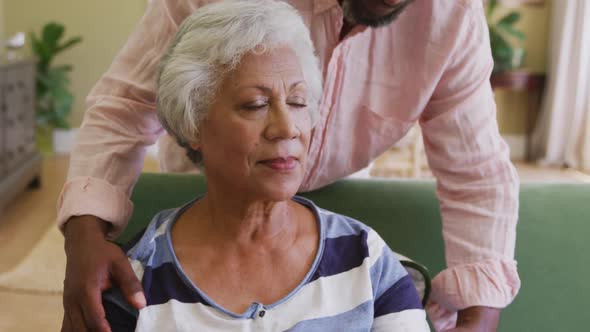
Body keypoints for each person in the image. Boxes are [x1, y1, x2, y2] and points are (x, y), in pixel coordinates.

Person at [59, 0, 520, 331]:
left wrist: (481, 308)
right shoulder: (144, 279)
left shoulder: (367, 260)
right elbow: (124, 107)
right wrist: (84, 235)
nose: (288, 127)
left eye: (301, 102)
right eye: (256, 104)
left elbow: (475, 166)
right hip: (206, 182)